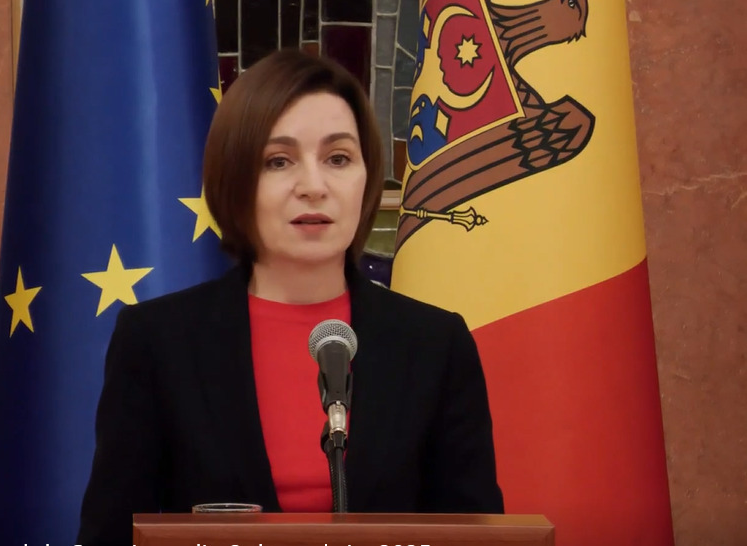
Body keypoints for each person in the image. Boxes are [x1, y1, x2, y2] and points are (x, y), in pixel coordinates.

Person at [77, 48, 503, 545]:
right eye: (278, 161)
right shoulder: (157, 341)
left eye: (338, 159)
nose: (314, 187)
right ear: (236, 179)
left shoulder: (435, 344)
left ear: (366, 178)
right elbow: (109, 533)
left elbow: (476, 533)